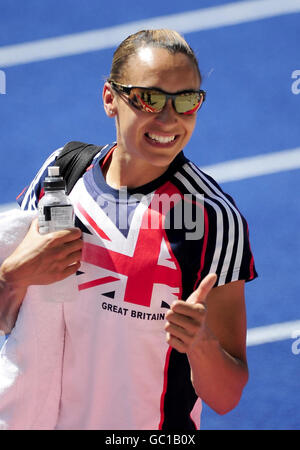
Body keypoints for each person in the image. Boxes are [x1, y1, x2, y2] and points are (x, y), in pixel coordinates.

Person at [0, 29, 257, 430]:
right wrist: (12, 278)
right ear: (110, 99)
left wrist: (201, 344)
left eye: (187, 101)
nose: (169, 119)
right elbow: (19, 323)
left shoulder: (213, 221)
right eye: (149, 98)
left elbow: (226, 398)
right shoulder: (63, 176)